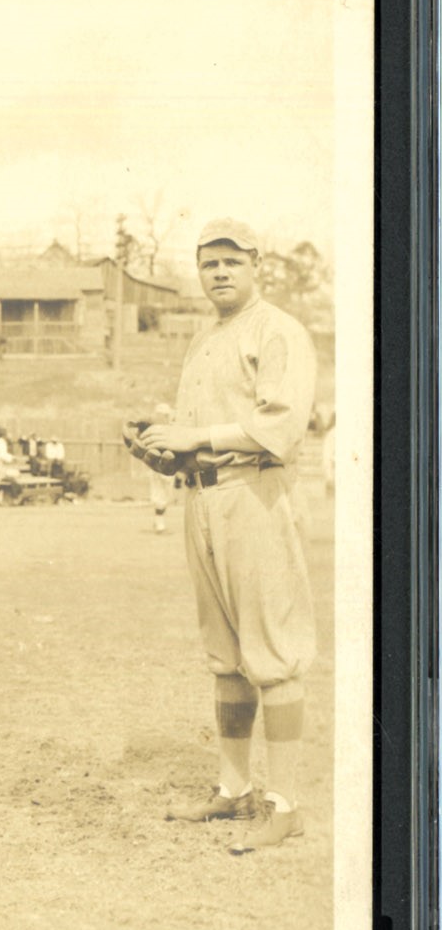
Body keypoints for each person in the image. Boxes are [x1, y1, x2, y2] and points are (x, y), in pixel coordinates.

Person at [137, 219, 317, 853]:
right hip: (203, 497)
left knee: (274, 651)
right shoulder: (205, 338)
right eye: (209, 263)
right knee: (224, 656)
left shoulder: (277, 330)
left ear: (255, 265)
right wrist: (166, 452)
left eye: (231, 262)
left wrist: (196, 438)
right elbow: (194, 435)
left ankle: (286, 805)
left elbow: (283, 427)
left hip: (255, 496)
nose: (219, 273)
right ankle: (234, 788)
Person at [148, 403, 178, 533]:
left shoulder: (170, 429)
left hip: (168, 465)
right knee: (159, 496)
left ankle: (158, 521)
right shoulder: (156, 430)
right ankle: (160, 524)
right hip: (158, 465)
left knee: (165, 496)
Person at [0, 425, 21, 504]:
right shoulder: (1, 442)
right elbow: (2, 455)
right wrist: (12, 458)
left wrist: (11, 457)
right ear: (3, 435)